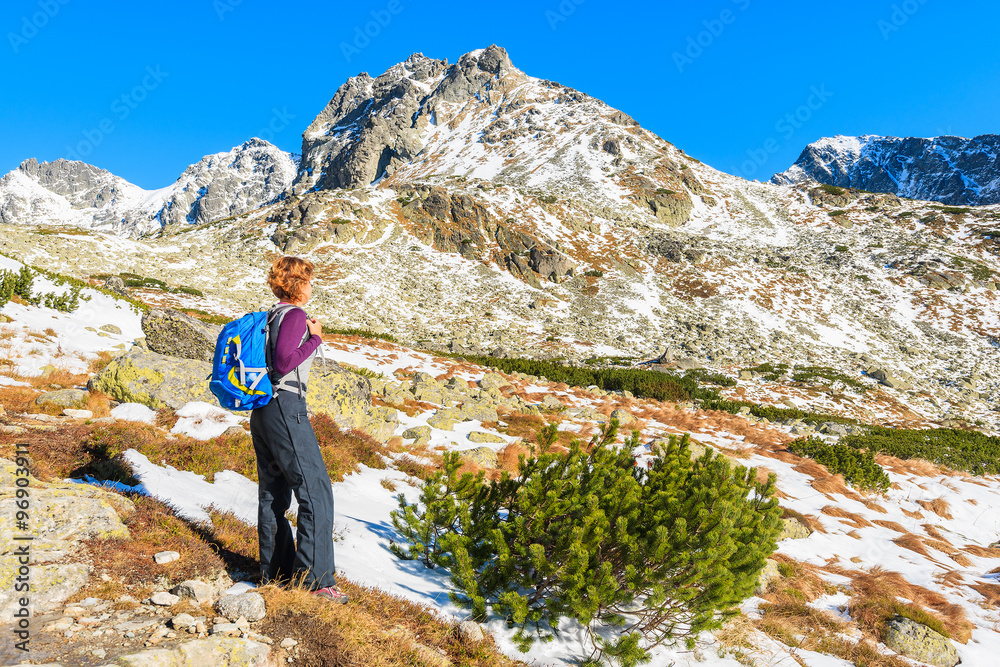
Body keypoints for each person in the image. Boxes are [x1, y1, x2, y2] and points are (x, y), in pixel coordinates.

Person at [248, 256, 347, 603]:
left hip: (262, 411)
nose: (310, 286)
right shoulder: (294, 316)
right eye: (307, 280)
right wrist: (315, 338)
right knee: (316, 491)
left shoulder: (270, 316)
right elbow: (283, 363)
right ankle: (317, 583)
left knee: (273, 494)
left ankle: (276, 575)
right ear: (297, 284)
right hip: (285, 409)